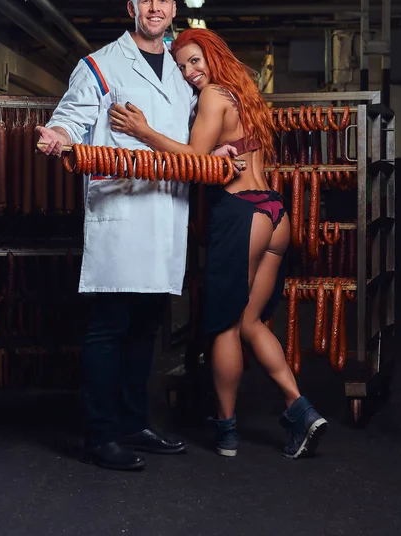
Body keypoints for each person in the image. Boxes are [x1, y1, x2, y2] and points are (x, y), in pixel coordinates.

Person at [108, 28, 328, 460]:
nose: (190, 72)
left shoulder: (213, 96)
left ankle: (226, 431)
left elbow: (194, 162)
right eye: (182, 65)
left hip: (241, 214)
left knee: (225, 325)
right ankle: (299, 410)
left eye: (195, 61)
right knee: (251, 323)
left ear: (212, 56)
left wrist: (144, 130)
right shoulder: (244, 94)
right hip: (275, 214)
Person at [35, 0, 209, 471]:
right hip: (122, 210)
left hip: (166, 212)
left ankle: (135, 423)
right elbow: (71, 116)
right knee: (108, 328)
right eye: (145, 1)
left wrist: (220, 146)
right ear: (130, 7)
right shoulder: (101, 64)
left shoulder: (183, 66)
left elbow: (198, 125)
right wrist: (60, 137)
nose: (154, 9)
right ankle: (101, 435)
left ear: (174, 9)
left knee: (146, 327)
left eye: (162, 1)